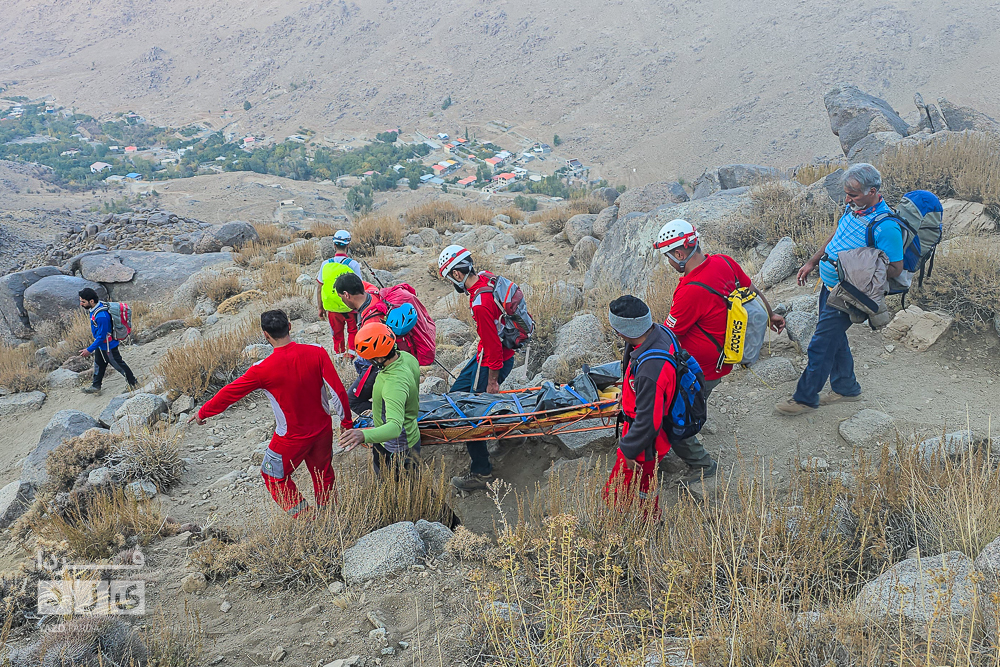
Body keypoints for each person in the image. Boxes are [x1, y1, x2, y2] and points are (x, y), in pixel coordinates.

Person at [189, 310, 354, 518]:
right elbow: (338, 392)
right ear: (290, 326)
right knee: (323, 475)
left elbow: (229, 394)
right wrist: (346, 423)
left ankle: (308, 520)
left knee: (272, 475)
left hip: (290, 439)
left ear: (265, 335)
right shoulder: (317, 352)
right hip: (322, 430)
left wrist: (202, 413)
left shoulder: (261, 369)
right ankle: (331, 517)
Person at [654, 219, 785, 480]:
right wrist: (771, 315)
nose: (669, 262)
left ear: (679, 254)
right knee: (695, 402)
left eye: (668, 256)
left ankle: (702, 465)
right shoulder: (724, 262)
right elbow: (751, 290)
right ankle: (695, 417)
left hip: (699, 369)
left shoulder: (689, 291)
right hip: (722, 361)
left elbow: (670, 336)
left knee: (673, 420)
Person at [776, 163, 904, 415]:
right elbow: (838, 235)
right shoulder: (854, 209)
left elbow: (896, 267)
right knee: (834, 339)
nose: (847, 199)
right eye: (846, 193)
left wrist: (860, 271)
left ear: (873, 191)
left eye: (853, 194)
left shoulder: (886, 226)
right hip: (830, 286)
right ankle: (847, 388)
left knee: (820, 344)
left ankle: (805, 398)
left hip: (849, 294)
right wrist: (813, 261)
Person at [437, 245, 516, 492]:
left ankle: (481, 472)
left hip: (494, 358)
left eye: (450, 277)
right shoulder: (485, 279)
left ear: (457, 275)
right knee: (459, 392)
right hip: (494, 354)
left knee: (466, 409)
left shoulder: (480, 303)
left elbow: (493, 349)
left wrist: (492, 382)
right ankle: (510, 433)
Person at [602, 296, 678, 506]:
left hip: (644, 441)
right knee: (646, 484)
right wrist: (626, 394)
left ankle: (621, 525)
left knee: (618, 490)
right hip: (656, 431)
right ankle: (650, 519)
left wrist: (628, 450)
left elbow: (649, 421)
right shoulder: (659, 334)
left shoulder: (649, 371)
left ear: (623, 331)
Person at [339, 322, 422, 477]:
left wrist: (363, 435)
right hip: (410, 435)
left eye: (369, 358)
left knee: (397, 487)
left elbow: (394, 428)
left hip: (395, 447)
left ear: (379, 357)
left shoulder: (393, 383)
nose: (368, 361)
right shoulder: (407, 358)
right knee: (412, 483)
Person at [334, 272, 420, 413]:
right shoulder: (372, 294)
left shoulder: (371, 320)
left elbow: (375, 354)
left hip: (378, 365)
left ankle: (387, 416)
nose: (342, 301)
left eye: (341, 297)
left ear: (346, 295)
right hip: (393, 359)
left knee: (352, 401)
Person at [78, 288, 138, 395]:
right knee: (99, 364)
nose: (81, 304)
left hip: (108, 346)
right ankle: (96, 386)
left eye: (83, 301)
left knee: (119, 364)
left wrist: (89, 349)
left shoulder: (101, 316)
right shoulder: (97, 307)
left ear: (91, 301)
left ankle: (133, 383)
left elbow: (101, 336)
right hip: (102, 346)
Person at [316, 230, 362, 358]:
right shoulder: (353, 264)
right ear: (348, 245)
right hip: (350, 306)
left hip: (332, 307)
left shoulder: (325, 265)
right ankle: (352, 355)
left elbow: (320, 287)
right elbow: (360, 286)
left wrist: (320, 308)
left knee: (337, 334)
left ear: (334, 245)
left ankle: (339, 357)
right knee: (353, 331)